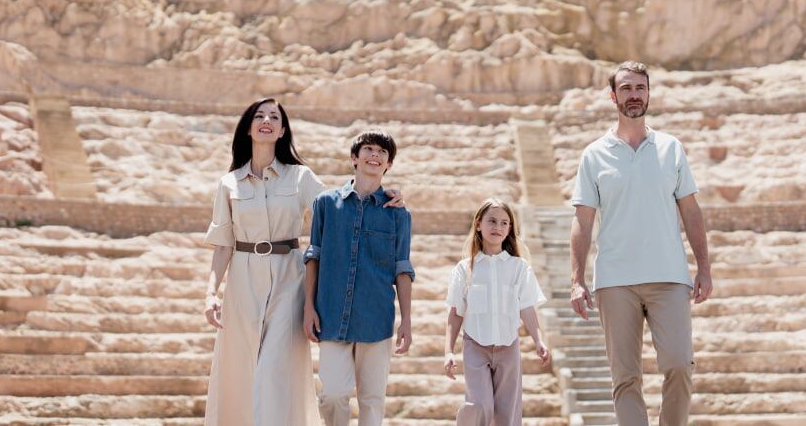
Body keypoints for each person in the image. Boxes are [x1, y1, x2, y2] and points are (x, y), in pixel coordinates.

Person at [201, 100, 404, 426]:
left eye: (274, 117)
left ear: (282, 131)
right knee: (239, 370)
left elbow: (339, 207)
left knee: (274, 369)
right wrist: (211, 293)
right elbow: (222, 244)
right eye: (259, 116)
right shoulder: (228, 184)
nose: (266, 121)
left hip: (288, 280)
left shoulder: (299, 176)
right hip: (241, 281)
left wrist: (380, 191)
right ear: (248, 127)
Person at [569, 61, 711, 426]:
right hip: (615, 281)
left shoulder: (671, 148)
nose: (634, 95)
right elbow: (582, 222)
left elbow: (691, 212)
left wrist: (704, 268)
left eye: (641, 88)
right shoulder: (594, 154)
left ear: (649, 93)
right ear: (613, 95)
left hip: (670, 276)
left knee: (679, 364)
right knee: (625, 378)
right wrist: (576, 280)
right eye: (627, 88)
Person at [303, 130, 414, 426]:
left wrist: (407, 320)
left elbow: (403, 269)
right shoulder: (325, 204)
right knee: (333, 394)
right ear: (355, 157)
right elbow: (313, 256)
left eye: (382, 152)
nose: (375, 155)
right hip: (330, 314)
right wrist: (308, 307)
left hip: (376, 318)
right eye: (368, 149)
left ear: (389, 164)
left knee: (372, 401)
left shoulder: (399, 215)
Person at [443, 198, 551, 426]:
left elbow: (527, 308)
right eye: (491, 221)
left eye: (504, 223)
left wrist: (539, 340)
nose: (498, 227)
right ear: (479, 224)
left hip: (508, 348)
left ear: (510, 229)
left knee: (507, 415)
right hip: (475, 347)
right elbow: (456, 313)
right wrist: (448, 351)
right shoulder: (465, 269)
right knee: (480, 406)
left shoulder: (519, 268)